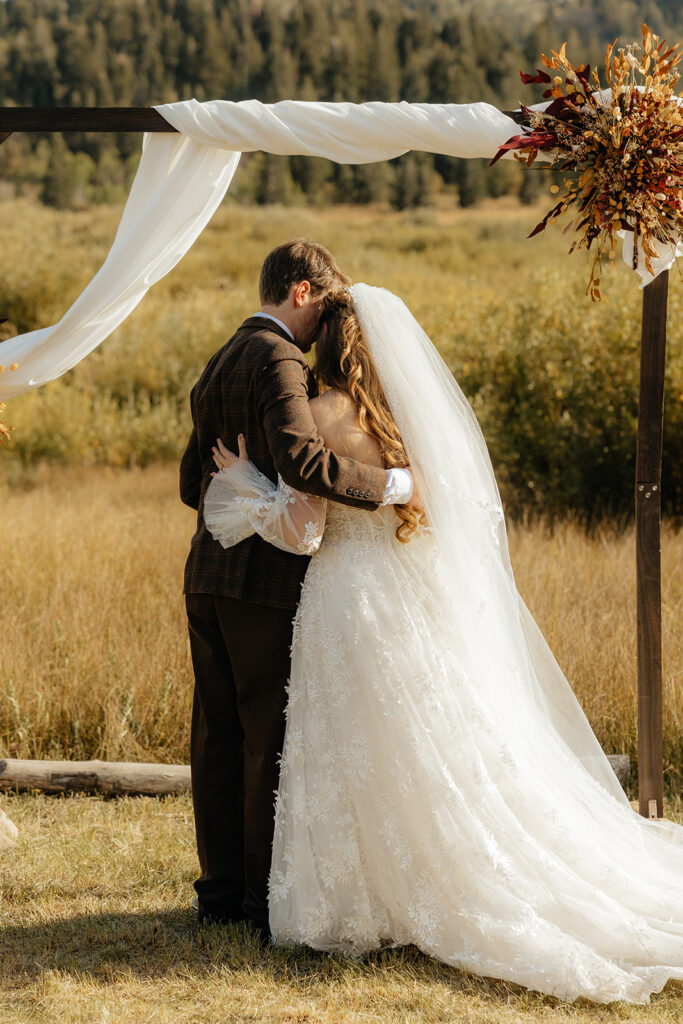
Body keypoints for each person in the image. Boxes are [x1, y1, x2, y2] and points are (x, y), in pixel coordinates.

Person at [203, 282, 683, 1005]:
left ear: (326, 347)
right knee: (431, 733)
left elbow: (304, 533)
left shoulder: (322, 415)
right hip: (407, 595)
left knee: (352, 743)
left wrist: (242, 487)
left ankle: (362, 898)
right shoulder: (409, 421)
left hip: (343, 598)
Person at [179, 242, 415, 935]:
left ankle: (218, 895)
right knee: (263, 738)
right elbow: (303, 461)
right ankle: (257, 903)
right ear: (302, 292)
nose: (321, 335)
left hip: (207, 575)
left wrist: (242, 487)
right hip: (260, 580)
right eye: (322, 308)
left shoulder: (221, 356)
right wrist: (393, 485)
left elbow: (192, 483)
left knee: (216, 738)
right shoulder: (278, 358)